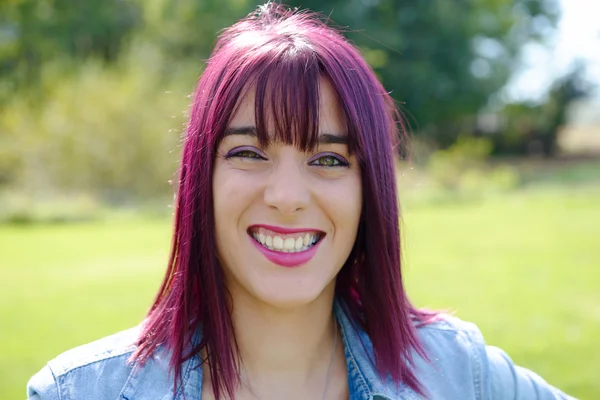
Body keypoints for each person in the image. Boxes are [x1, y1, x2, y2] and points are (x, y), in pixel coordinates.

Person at [27, 3, 575, 400]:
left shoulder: (457, 373)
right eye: (248, 152)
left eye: (330, 160)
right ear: (200, 178)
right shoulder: (78, 391)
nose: (287, 197)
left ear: (371, 192)